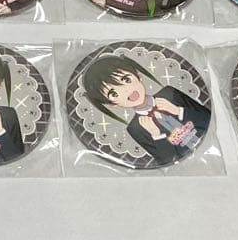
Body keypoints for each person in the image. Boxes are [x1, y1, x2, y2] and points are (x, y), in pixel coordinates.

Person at [82, 54, 210, 165]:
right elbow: (167, 160)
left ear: (139, 76)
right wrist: (156, 135)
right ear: (112, 104)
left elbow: (208, 117)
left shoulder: (169, 93)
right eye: (114, 94)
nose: (126, 90)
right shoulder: (134, 128)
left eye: (126, 79)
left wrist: (178, 111)